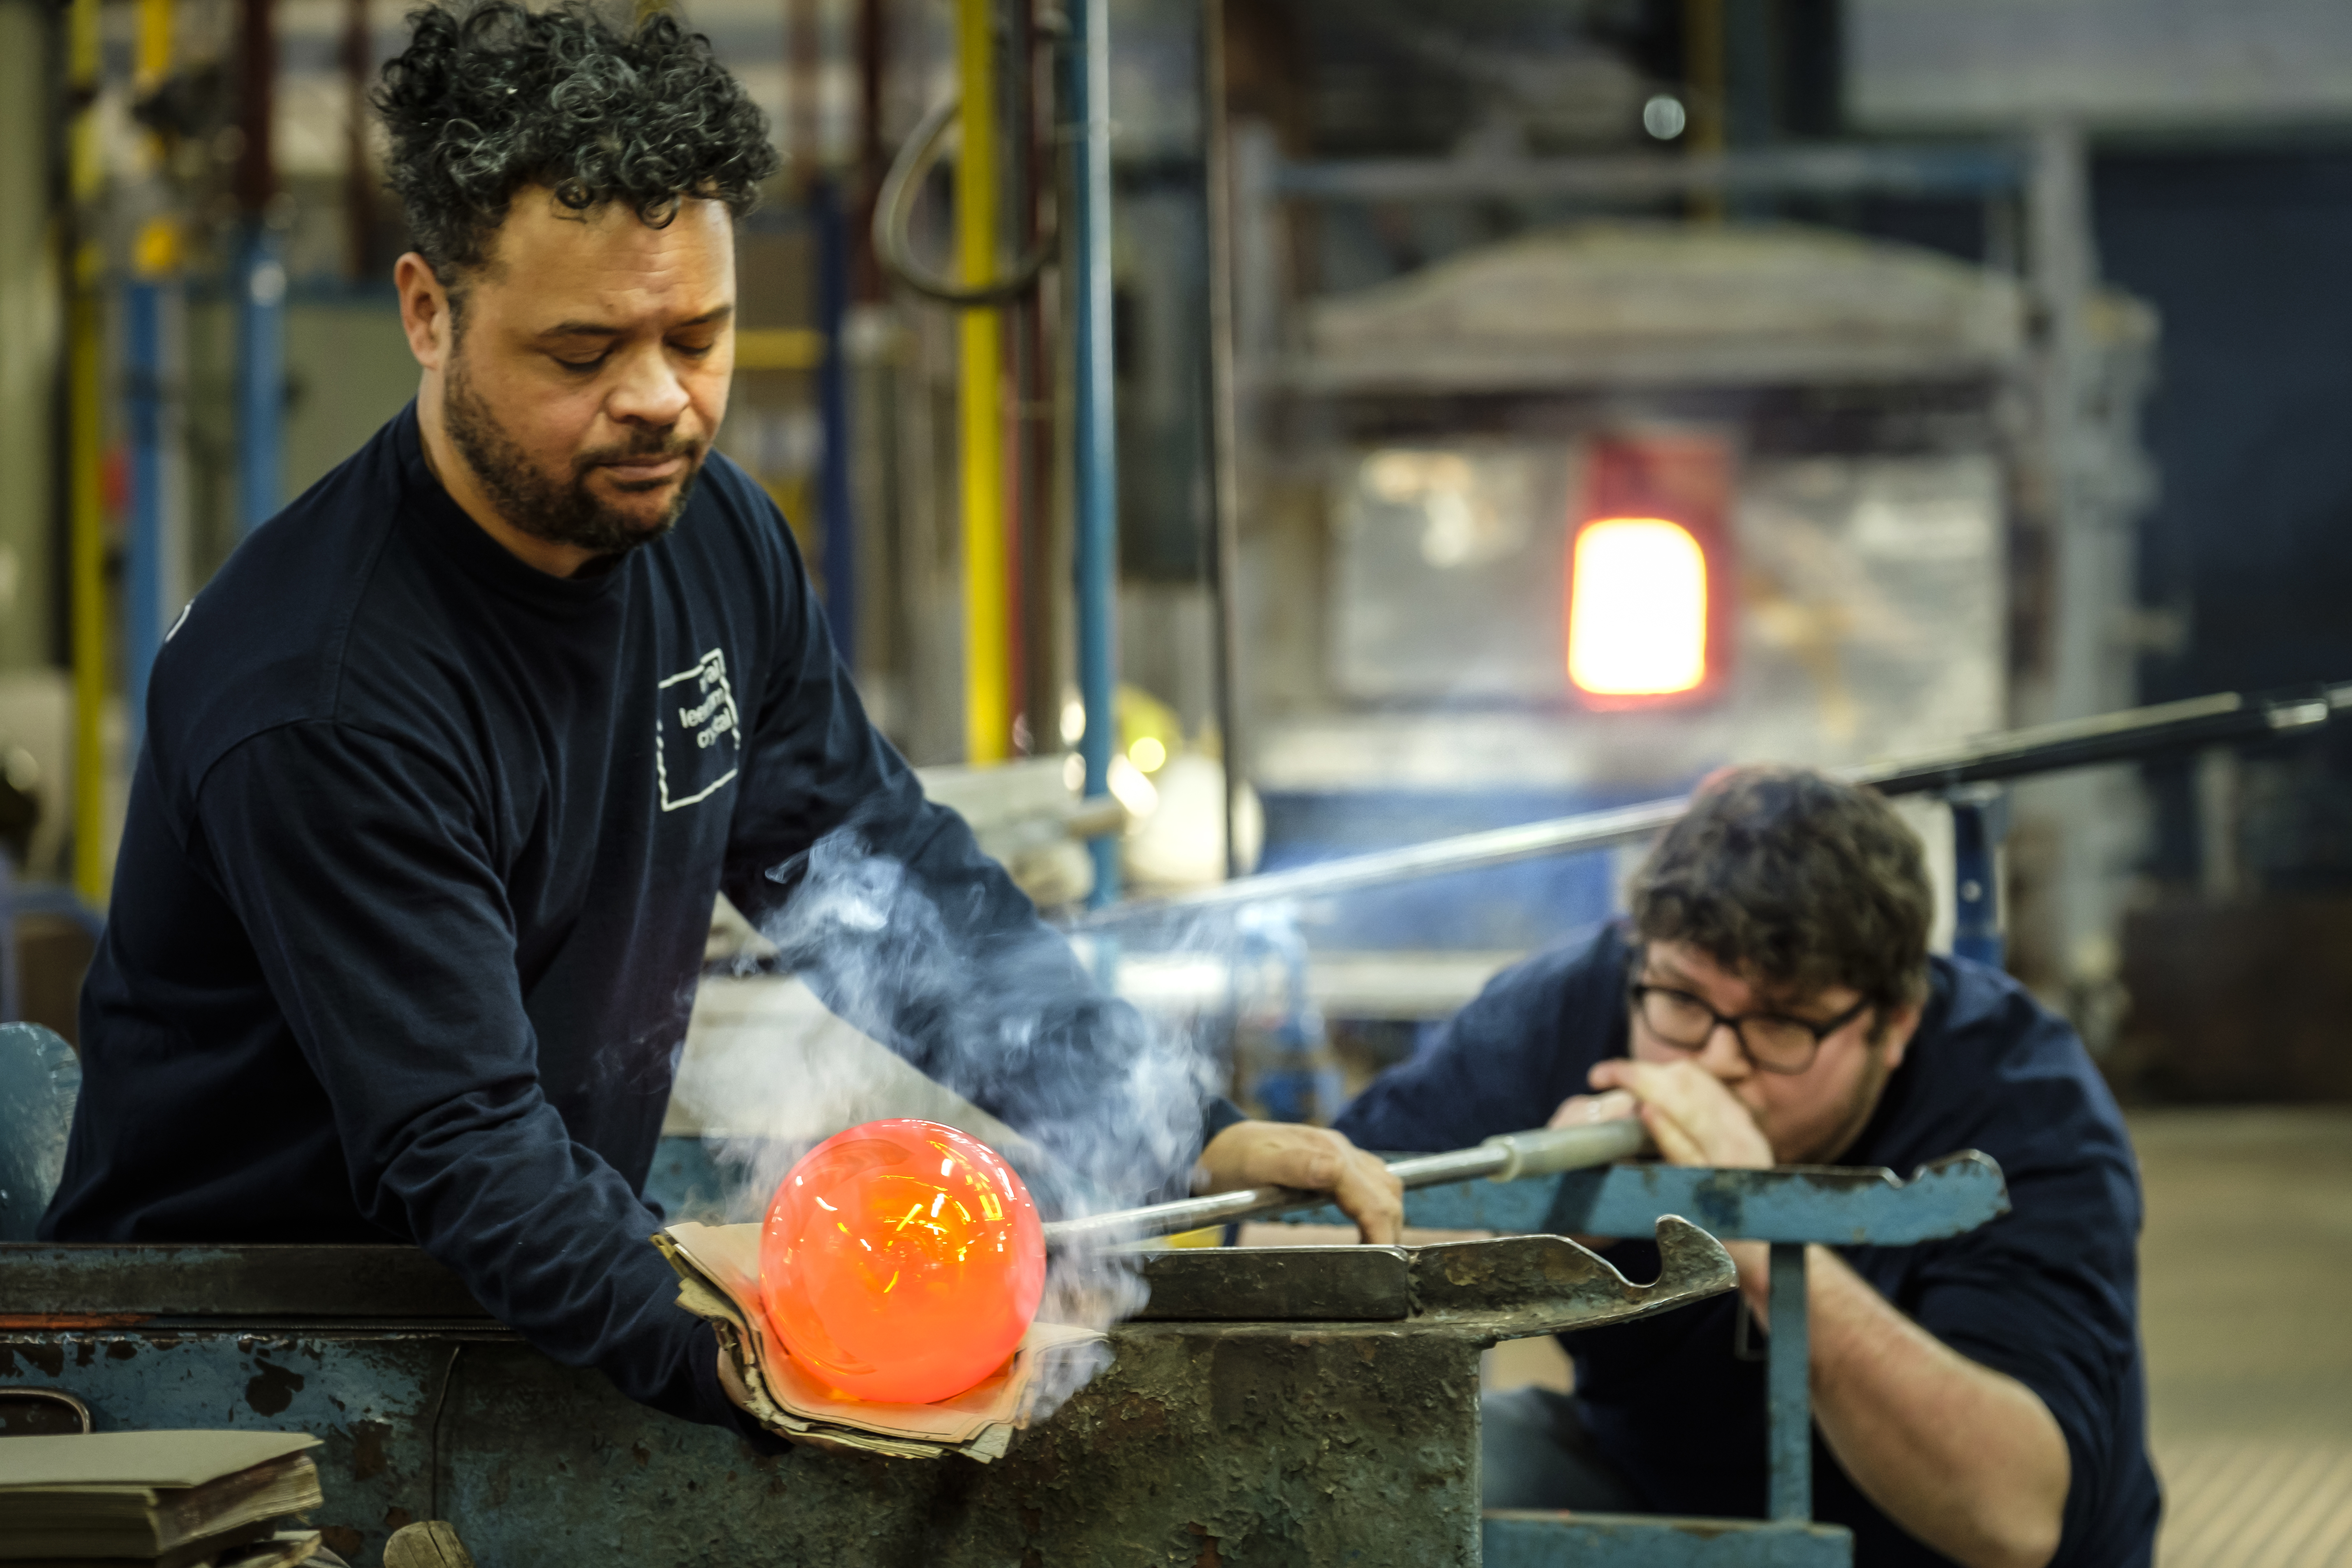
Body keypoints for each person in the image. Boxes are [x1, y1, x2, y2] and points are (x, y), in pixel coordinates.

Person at [40, 0, 1400, 1442]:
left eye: (699, 334)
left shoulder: (708, 535)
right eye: (581, 353)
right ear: (429, 311)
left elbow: (876, 877)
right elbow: (470, 1150)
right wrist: (791, 1378)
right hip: (238, 1360)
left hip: (491, 1300)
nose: (659, 401)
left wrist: (1165, 1115)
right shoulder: (325, 694)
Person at [1334, 767, 2158, 1568]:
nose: (1716, 1061)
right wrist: (1518, 1223)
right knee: (1383, 1481)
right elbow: (1291, 1243)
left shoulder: (2019, 1102)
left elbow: (2013, 1518)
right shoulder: (1574, 1005)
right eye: (1684, 1002)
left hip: (1926, 1544)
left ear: (1895, 1020)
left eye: (1781, 1024)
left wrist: (1753, 1226)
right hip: (1660, 1490)